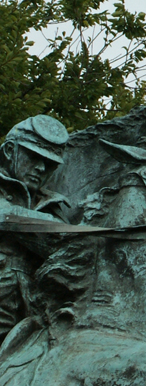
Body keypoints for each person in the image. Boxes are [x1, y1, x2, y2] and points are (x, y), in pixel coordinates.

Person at [0, 115, 70, 339]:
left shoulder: (53, 207)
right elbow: (6, 216)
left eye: (49, 164)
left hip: (36, 317)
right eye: (34, 157)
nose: (41, 168)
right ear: (10, 150)